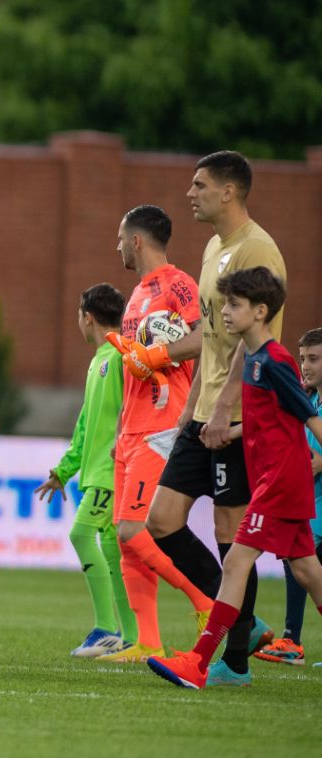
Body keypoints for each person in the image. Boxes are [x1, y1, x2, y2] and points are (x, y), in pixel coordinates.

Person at [145, 151, 286, 685]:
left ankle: (236, 659)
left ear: (229, 191)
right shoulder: (211, 248)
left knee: (233, 537)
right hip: (203, 413)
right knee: (161, 521)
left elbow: (255, 339)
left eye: (199, 185)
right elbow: (211, 333)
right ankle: (243, 625)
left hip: (238, 418)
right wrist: (189, 402)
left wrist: (226, 407)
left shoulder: (258, 249)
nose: (190, 193)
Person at [148, 267, 322, 689]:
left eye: (234, 305)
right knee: (309, 572)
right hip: (279, 479)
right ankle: (212, 662)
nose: (224, 312)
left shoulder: (274, 361)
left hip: (278, 482)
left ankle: (199, 662)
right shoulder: (253, 359)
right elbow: (277, 419)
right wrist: (230, 430)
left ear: (261, 311)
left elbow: (310, 416)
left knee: (236, 563)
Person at [93, 205, 215, 664]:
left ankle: (205, 601)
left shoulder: (177, 283)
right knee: (122, 535)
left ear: (137, 240)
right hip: (132, 426)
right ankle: (146, 641)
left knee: (132, 528)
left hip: (162, 423)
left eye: (121, 237)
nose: (117, 246)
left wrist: (158, 354)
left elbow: (206, 337)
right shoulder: (139, 294)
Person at [35, 283, 135, 657]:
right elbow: (85, 426)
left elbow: (136, 413)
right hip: (98, 473)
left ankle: (106, 628)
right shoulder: (99, 361)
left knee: (81, 535)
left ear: (87, 317)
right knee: (112, 549)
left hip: (113, 472)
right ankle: (131, 635)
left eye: (79, 315)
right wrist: (63, 470)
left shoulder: (123, 359)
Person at [253, 327, 322, 666]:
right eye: (303, 358)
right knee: (298, 562)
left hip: (316, 498)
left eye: (314, 359)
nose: (305, 366)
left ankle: (292, 639)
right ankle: (291, 639)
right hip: (307, 497)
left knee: (301, 563)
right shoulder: (308, 398)